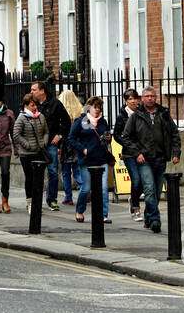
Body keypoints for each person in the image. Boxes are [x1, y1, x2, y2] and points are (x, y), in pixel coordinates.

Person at [125, 85, 183, 233]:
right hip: (144, 159)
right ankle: (155, 219)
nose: (150, 98)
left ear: (156, 98)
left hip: (160, 157)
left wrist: (176, 153)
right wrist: (137, 153)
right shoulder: (136, 115)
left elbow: (174, 134)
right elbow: (127, 137)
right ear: (142, 99)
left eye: (152, 96)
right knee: (149, 189)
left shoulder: (163, 114)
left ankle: (148, 216)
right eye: (147, 96)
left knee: (157, 191)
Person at [68, 95, 112, 223]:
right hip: (87, 159)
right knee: (86, 188)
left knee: (103, 188)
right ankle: (80, 210)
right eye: (94, 107)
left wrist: (107, 137)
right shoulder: (81, 121)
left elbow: (106, 134)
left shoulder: (103, 122)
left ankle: (103, 214)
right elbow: (71, 138)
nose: (97, 110)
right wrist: (83, 149)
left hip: (101, 158)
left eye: (99, 107)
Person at [31, 80, 71, 211]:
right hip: (35, 144)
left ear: (42, 91)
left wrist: (59, 135)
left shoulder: (55, 104)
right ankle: (34, 200)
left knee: (53, 171)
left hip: (51, 144)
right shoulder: (32, 104)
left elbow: (66, 120)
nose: (32, 92)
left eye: (34, 89)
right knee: (36, 173)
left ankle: (52, 199)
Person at [13, 93, 50, 215]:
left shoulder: (41, 117)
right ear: (26, 105)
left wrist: (43, 142)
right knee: (29, 178)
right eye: (32, 105)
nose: (35, 108)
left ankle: (37, 202)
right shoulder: (22, 118)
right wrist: (27, 145)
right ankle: (30, 202)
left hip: (39, 152)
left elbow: (46, 131)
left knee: (39, 179)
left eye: (36, 105)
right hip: (27, 154)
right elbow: (16, 135)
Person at [115, 89, 142, 219]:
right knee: (136, 180)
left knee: (145, 181)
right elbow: (116, 135)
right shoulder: (122, 116)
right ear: (126, 101)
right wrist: (127, 144)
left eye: (134, 98)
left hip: (143, 152)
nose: (133, 101)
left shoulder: (143, 113)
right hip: (129, 153)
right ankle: (135, 208)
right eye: (129, 99)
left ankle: (134, 197)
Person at [58, 89, 84, 206]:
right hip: (77, 144)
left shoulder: (61, 111)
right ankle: (84, 189)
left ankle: (68, 197)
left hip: (65, 144)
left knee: (65, 172)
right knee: (78, 171)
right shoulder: (80, 111)